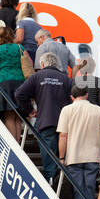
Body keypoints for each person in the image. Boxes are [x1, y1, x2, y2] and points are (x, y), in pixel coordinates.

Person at [15, 52, 73, 182]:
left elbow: (19, 94)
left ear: (42, 64)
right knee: (65, 160)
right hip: (65, 125)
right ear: (56, 64)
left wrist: (30, 110)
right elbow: (72, 100)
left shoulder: (37, 77)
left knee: (49, 161)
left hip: (46, 123)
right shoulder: (65, 79)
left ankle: (50, 187)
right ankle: (64, 189)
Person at [57, 85, 100, 199]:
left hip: (73, 158)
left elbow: (63, 135)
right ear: (87, 95)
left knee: (78, 194)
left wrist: (62, 157)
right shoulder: (97, 110)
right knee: (90, 192)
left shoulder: (66, 110)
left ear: (71, 97)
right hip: (93, 158)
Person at [0, 26, 29, 143]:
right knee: (17, 117)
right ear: (12, 36)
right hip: (20, 82)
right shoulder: (19, 47)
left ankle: (14, 145)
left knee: (8, 116)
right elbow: (29, 63)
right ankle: (18, 144)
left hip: (5, 82)